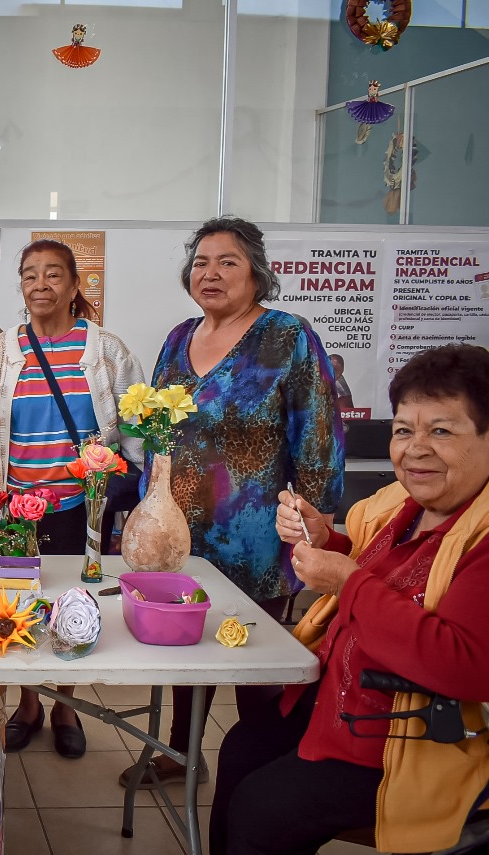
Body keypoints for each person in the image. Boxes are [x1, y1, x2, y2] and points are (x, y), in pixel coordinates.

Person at [213, 344, 489, 855]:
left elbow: (465, 664)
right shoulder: (401, 507)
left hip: (412, 739)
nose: (415, 449)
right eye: (404, 429)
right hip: (340, 704)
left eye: (442, 430)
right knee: (240, 749)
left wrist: (345, 581)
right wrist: (326, 541)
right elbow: (380, 570)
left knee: (262, 807)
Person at [121, 216, 345, 790]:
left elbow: (318, 440)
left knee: (254, 665)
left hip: (258, 540)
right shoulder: (178, 337)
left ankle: (262, 773)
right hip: (180, 533)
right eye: (200, 262)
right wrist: (152, 507)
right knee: (181, 648)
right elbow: (157, 431)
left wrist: (313, 526)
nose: (210, 273)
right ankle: (178, 751)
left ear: (257, 274)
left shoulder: (288, 337)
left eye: (227, 262)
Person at [0, 239, 144, 759]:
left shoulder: (106, 350)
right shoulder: (0, 352)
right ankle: (29, 702)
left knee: (77, 604)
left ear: (74, 285)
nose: (40, 284)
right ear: (20, 286)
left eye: (52, 275)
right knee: (21, 604)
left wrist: (136, 491)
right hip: (18, 511)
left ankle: (65, 702)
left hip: (78, 509)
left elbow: (135, 431)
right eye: (30, 276)